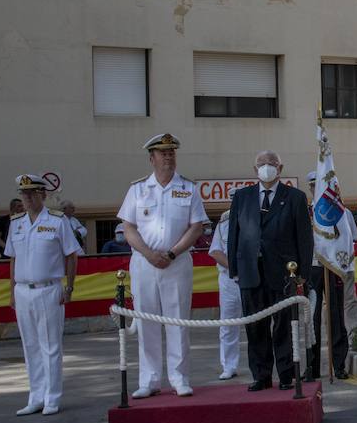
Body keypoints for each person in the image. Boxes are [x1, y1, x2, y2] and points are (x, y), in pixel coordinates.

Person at [117, 133, 209, 398]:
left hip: (176, 263)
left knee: (177, 320)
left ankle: (179, 378)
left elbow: (196, 226)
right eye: (163, 153)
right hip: (144, 264)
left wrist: (171, 253)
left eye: (172, 152)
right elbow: (128, 228)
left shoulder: (188, 188)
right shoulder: (137, 189)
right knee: (147, 320)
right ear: (151, 158)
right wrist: (148, 253)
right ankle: (149, 379)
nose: (169, 157)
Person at [226, 150, 313, 392]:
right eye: (262, 164)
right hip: (250, 272)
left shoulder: (295, 197)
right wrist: (234, 268)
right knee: (255, 326)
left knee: (284, 325)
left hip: (285, 273)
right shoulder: (242, 197)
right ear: (255, 170)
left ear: (280, 168)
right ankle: (261, 375)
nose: (267, 167)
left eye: (271, 163)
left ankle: (286, 375)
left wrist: (303, 272)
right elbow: (234, 234)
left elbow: (304, 238)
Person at [5, 173, 81, 416]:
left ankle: (52, 397)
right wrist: (11, 292)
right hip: (23, 289)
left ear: (43, 195)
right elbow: (13, 259)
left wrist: (69, 287)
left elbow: (71, 255)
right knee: (30, 346)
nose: (26, 198)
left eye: (31, 193)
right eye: (23, 194)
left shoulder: (58, 221)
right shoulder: (16, 222)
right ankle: (35, 396)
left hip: (49, 288)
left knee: (50, 345)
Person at [304, 170, 353, 383]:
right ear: (311, 189)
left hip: (333, 269)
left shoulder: (341, 212)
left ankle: (339, 364)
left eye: (322, 186)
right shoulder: (305, 212)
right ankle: (312, 366)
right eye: (315, 187)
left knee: (336, 316)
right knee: (311, 319)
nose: (318, 190)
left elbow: (350, 240)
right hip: (313, 269)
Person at [206, 210, 242, 380]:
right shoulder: (223, 225)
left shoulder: (255, 220)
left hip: (252, 280)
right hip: (229, 280)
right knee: (228, 324)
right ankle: (229, 365)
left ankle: (260, 366)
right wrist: (235, 269)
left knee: (258, 323)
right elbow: (215, 251)